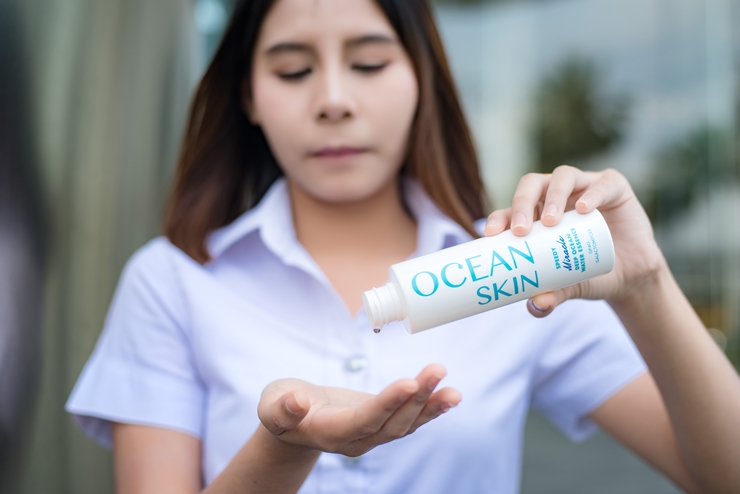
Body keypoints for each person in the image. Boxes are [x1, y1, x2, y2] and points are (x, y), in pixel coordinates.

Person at [66, 0, 740, 493]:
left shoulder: (517, 266)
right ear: (249, 95)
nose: (334, 100)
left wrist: (647, 283)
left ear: (422, 77)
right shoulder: (173, 281)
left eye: (368, 62)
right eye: (294, 70)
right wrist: (284, 448)